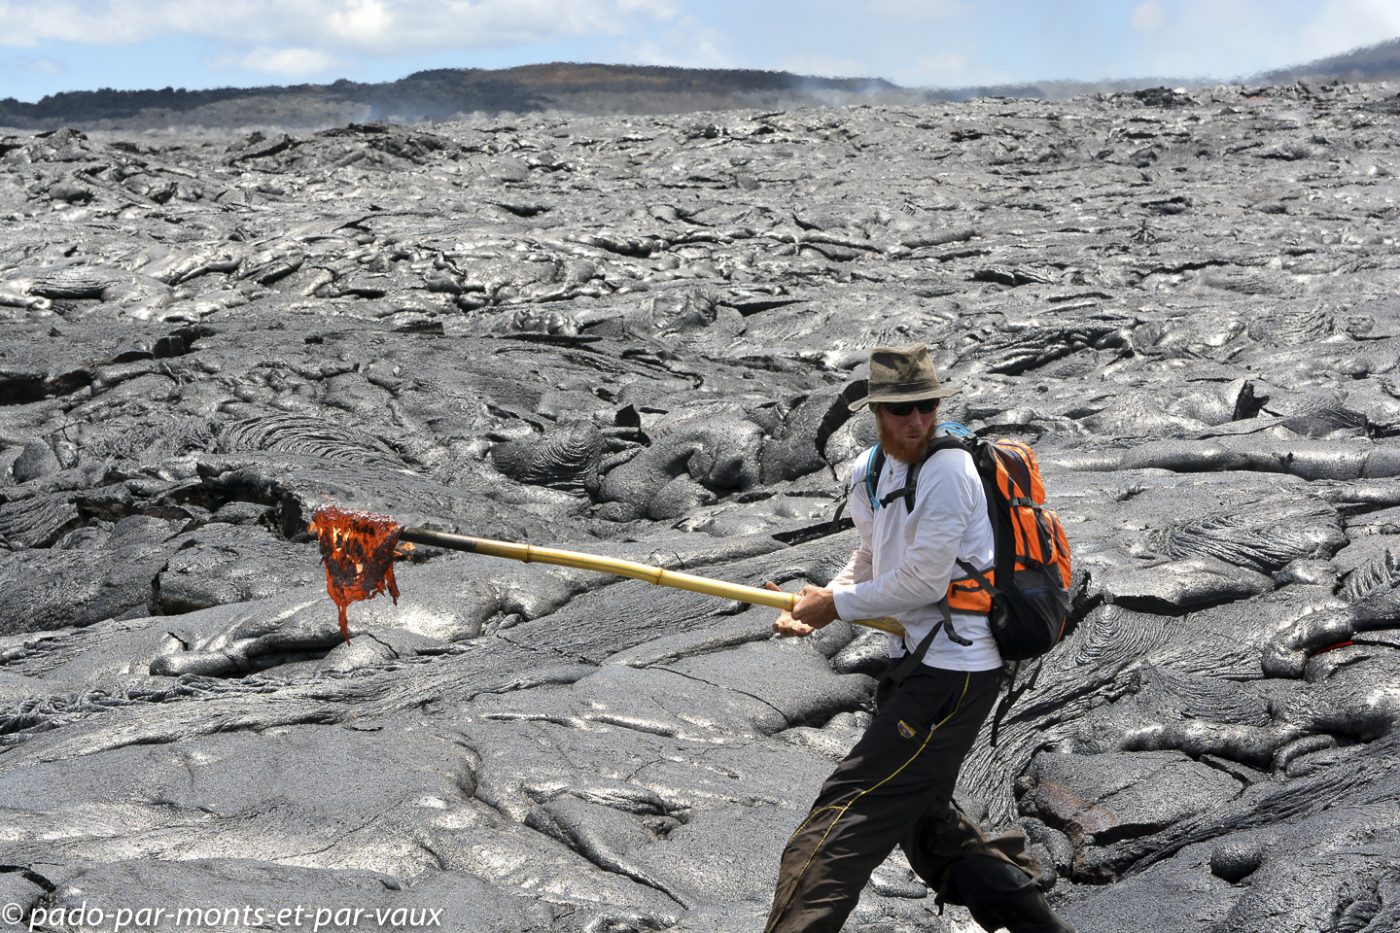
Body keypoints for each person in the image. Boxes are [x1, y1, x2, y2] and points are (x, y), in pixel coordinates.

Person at [762, 344, 1076, 933]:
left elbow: (924, 581)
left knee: (846, 815)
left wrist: (835, 605)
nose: (917, 422)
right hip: (913, 662)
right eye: (902, 411)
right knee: (927, 822)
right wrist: (820, 601)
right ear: (876, 412)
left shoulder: (950, 470)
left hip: (957, 671)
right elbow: (869, 554)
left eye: (926, 407)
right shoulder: (869, 470)